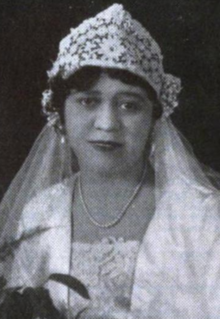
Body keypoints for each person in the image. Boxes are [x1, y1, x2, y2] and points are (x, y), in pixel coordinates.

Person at [0, 3, 220, 319]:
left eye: (129, 106)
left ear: (154, 119)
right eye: (88, 101)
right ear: (59, 114)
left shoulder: (201, 217)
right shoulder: (41, 213)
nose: (107, 123)